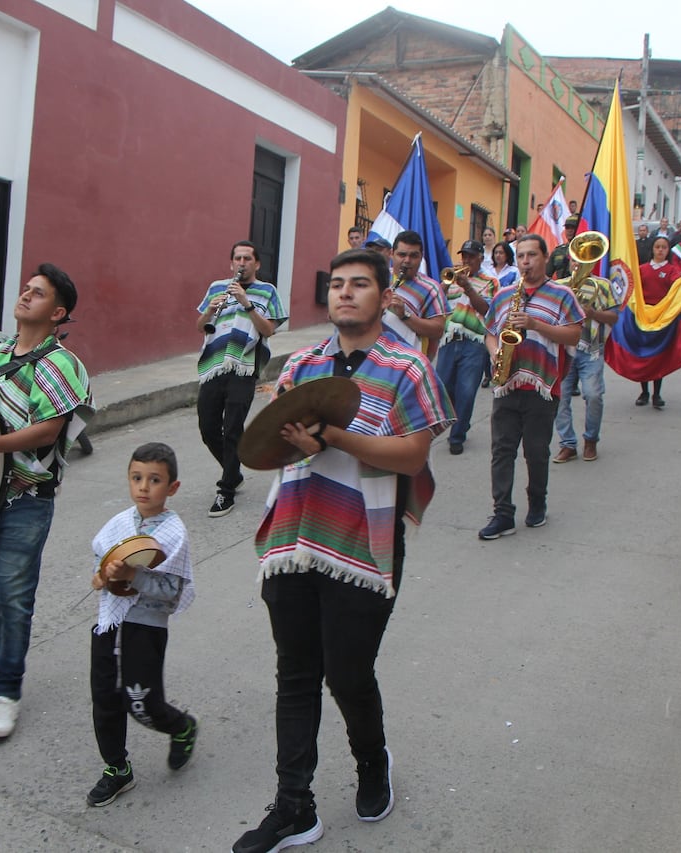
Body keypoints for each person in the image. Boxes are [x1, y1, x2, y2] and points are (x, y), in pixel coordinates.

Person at [232, 248, 453, 853]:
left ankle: (372, 760)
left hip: (365, 543)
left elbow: (411, 456)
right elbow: (273, 450)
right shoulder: (300, 364)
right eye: (337, 285)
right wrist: (290, 438)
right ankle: (293, 808)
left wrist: (330, 436)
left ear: (384, 297)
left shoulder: (408, 368)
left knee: (348, 673)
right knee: (296, 673)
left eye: (360, 285)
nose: (346, 293)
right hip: (296, 538)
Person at [0, 263, 93, 739]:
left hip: (27, 496)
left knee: (12, 592)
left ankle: (8, 692)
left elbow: (49, 429)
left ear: (58, 311)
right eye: (26, 289)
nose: (26, 297)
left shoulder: (63, 364)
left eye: (39, 293)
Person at [86, 442, 197, 807]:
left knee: (142, 702)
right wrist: (103, 577)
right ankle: (117, 769)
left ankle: (181, 726)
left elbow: (170, 590)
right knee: (104, 699)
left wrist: (135, 574)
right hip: (109, 623)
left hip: (145, 629)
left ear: (173, 488)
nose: (144, 487)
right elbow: (101, 570)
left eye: (154, 480)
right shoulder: (121, 522)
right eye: (137, 478)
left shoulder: (173, 533)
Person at [478, 234, 584, 540]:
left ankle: (537, 502)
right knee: (501, 451)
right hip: (507, 383)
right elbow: (489, 331)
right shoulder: (504, 294)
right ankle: (503, 514)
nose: (525, 261)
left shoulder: (562, 295)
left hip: (542, 385)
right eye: (521, 256)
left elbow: (574, 336)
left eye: (531, 255)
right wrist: (495, 350)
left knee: (536, 452)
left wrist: (537, 325)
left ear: (545, 258)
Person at [195, 241, 287, 517]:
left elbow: (268, 330)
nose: (242, 263)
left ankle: (226, 491)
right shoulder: (216, 287)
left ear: (256, 264)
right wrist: (211, 310)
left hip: (245, 365)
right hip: (215, 363)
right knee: (207, 427)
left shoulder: (267, 291)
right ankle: (233, 472)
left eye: (248, 258)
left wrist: (247, 304)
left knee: (233, 427)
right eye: (238, 258)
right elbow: (200, 327)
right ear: (231, 263)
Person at [552, 262, 619, 463]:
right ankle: (567, 444)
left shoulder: (604, 285)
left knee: (593, 395)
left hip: (591, 349)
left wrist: (593, 314)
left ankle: (591, 440)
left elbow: (614, 317)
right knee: (560, 398)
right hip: (564, 349)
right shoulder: (560, 285)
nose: (577, 264)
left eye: (583, 260)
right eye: (574, 259)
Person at [436, 240, 495, 454]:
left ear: (481, 258)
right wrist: (443, 284)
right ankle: (459, 421)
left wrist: (468, 287)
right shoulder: (451, 278)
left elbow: (487, 309)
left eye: (471, 256)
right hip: (449, 340)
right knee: (443, 388)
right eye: (464, 256)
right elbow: (437, 303)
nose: (466, 260)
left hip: (474, 341)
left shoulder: (490, 282)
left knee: (467, 391)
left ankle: (457, 436)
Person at [382, 230, 449, 359]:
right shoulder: (378, 278)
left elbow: (438, 330)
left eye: (414, 256)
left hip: (408, 361)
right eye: (402, 255)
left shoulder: (431, 288)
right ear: (391, 254)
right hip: (374, 355)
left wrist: (405, 315)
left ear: (421, 256)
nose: (407, 261)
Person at [634, 236, 680, 407]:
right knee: (644, 355)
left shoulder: (671, 270)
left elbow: (677, 287)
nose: (660, 250)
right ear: (652, 249)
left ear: (668, 251)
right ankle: (644, 392)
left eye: (664, 247)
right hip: (644, 317)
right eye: (657, 247)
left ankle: (657, 394)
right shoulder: (642, 269)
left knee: (658, 356)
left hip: (662, 318)